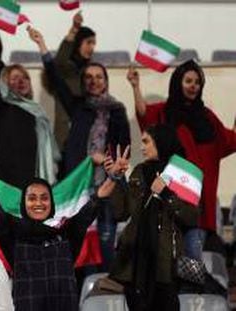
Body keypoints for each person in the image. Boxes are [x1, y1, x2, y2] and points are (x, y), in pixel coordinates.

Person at [0, 142, 125, 311]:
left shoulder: (67, 230)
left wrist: (113, 177)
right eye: (32, 198)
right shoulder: (12, 231)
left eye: (44, 198)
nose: (38, 203)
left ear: (51, 203)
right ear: (24, 203)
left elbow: (96, 201)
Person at [29, 26, 130, 271]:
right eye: (89, 78)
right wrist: (42, 45)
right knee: (79, 249)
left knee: (105, 250)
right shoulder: (78, 107)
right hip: (79, 189)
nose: (94, 82)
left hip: (106, 187)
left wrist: (107, 160)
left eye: (99, 77)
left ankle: (104, 299)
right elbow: (56, 78)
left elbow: (124, 147)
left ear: (106, 81)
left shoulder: (116, 110)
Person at [127, 60, 236, 260]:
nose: (193, 85)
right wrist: (135, 86)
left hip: (197, 206)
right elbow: (144, 115)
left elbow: (229, 140)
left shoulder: (208, 118)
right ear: (178, 82)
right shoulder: (165, 112)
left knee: (192, 264)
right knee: (166, 264)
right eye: (188, 81)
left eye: (197, 82)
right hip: (167, 202)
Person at [103, 125, 199, 311]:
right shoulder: (139, 171)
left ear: (161, 142)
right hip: (135, 263)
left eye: (146, 141)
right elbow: (121, 212)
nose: (141, 147)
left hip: (166, 265)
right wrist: (116, 179)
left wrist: (166, 194)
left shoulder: (181, 173)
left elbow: (192, 217)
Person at [53, 11, 97, 147]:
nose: (92, 48)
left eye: (94, 44)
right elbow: (59, 61)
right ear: (78, 43)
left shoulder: (92, 71)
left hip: (88, 136)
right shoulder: (65, 70)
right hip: (66, 136)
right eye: (88, 42)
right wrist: (73, 31)